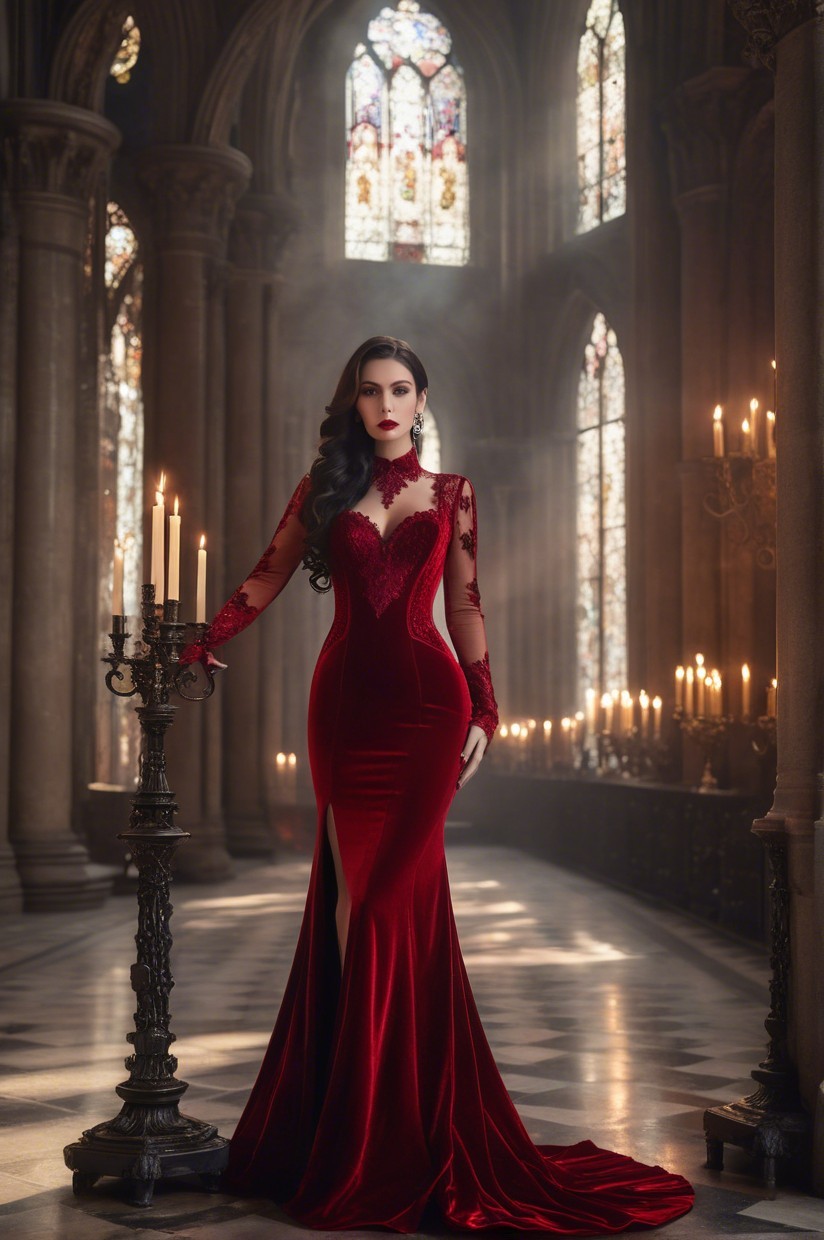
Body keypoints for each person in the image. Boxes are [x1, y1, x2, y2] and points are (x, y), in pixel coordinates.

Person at [179, 336, 693, 1232]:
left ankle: (387, 1127)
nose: (385, 404)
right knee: (348, 908)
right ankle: (352, 1123)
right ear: (354, 402)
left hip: (426, 711)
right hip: (343, 709)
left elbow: (465, 604)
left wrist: (485, 711)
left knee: (384, 906)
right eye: (371, 391)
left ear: (422, 401)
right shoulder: (324, 490)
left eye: (401, 390)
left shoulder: (451, 495)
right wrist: (199, 641)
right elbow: (265, 575)